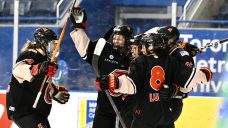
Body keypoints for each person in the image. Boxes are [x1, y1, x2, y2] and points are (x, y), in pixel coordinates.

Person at [100, 33, 212, 128]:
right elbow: (190, 78)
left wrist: (114, 82)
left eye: (143, 46)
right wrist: (204, 74)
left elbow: (131, 86)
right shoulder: (171, 60)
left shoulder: (140, 61)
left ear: (149, 47)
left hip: (145, 113)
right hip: (165, 113)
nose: (141, 48)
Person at [70, 6, 132, 128]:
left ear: (128, 40)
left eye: (120, 39)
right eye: (115, 38)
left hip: (127, 107)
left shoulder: (134, 55)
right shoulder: (104, 49)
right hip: (105, 105)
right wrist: (79, 28)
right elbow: (85, 49)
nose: (116, 41)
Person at [6, 27, 70, 128]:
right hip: (23, 110)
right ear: (44, 43)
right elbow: (17, 70)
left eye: (56, 44)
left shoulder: (47, 59)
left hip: (37, 112)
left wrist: (55, 93)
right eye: (53, 44)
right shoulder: (30, 54)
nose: (55, 47)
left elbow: (44, 82)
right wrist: (38, 69)